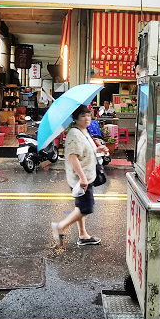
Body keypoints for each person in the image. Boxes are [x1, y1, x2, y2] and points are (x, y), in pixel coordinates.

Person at [51, 104, 109, 247]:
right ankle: (60, 227)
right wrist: (82, 178)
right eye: (83, 116)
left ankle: (83, 235)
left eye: (88, 115)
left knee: (80, 206)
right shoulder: (74, 134)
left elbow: (86, 150)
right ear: (76, 118)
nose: (87, 118)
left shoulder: (84, 131)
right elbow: (72, 157)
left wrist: (98, 149)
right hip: (80, 178)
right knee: (86, 208)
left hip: (86, 175)